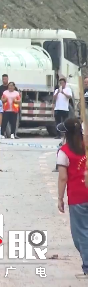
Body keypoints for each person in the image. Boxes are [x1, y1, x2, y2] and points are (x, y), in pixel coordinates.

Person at [56, 118, 88, 279]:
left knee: (81, 234)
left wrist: (60, 198)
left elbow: (62, 178)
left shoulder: (64, 151)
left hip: (78, 198)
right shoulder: (86, 147)